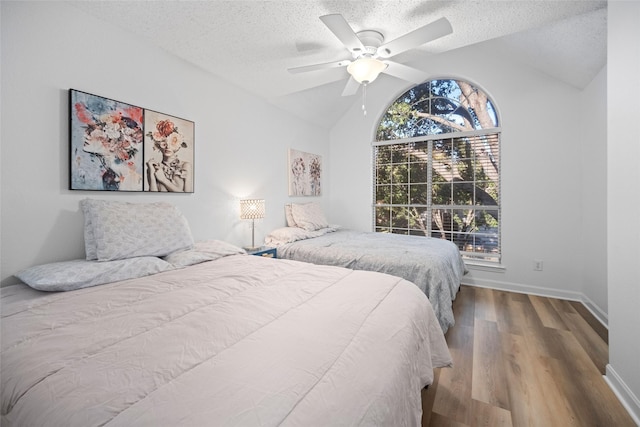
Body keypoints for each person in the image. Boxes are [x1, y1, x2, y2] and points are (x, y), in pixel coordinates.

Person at [146, 119, 193, 192]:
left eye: (172, 143)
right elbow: (153, 196)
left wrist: (163, 180)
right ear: (158, 145)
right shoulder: (154, 167)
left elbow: (186, 195)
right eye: (164, 143)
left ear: (177, 146)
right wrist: (151, 172)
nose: (168, 147)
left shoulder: (185, 166)